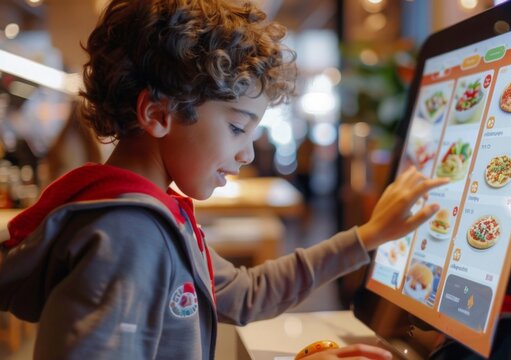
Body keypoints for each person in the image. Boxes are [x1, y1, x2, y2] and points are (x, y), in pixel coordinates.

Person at [0, 0, 447, 359]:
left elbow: (244, 293)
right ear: (157, 114)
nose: (247, 152)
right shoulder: (127, 236)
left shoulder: (151, 216)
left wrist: (367, 236)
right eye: (237, 128)